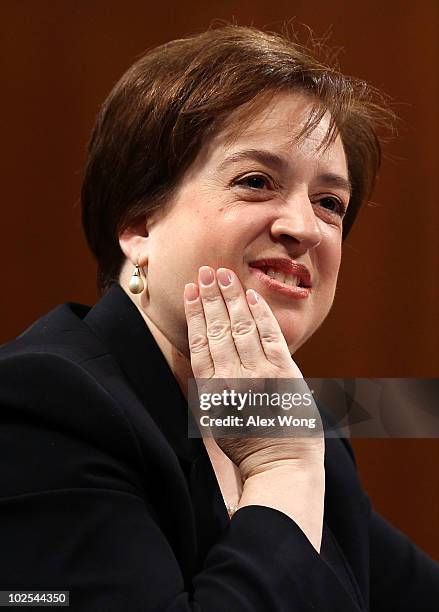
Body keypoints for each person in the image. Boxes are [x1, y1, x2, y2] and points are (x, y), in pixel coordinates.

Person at [0, 24, 438, 611]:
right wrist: (280, 469)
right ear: (139, 226)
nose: (305, 228)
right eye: (256, 182)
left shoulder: (292, 420)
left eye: (330, 203)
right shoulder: (42, 403)